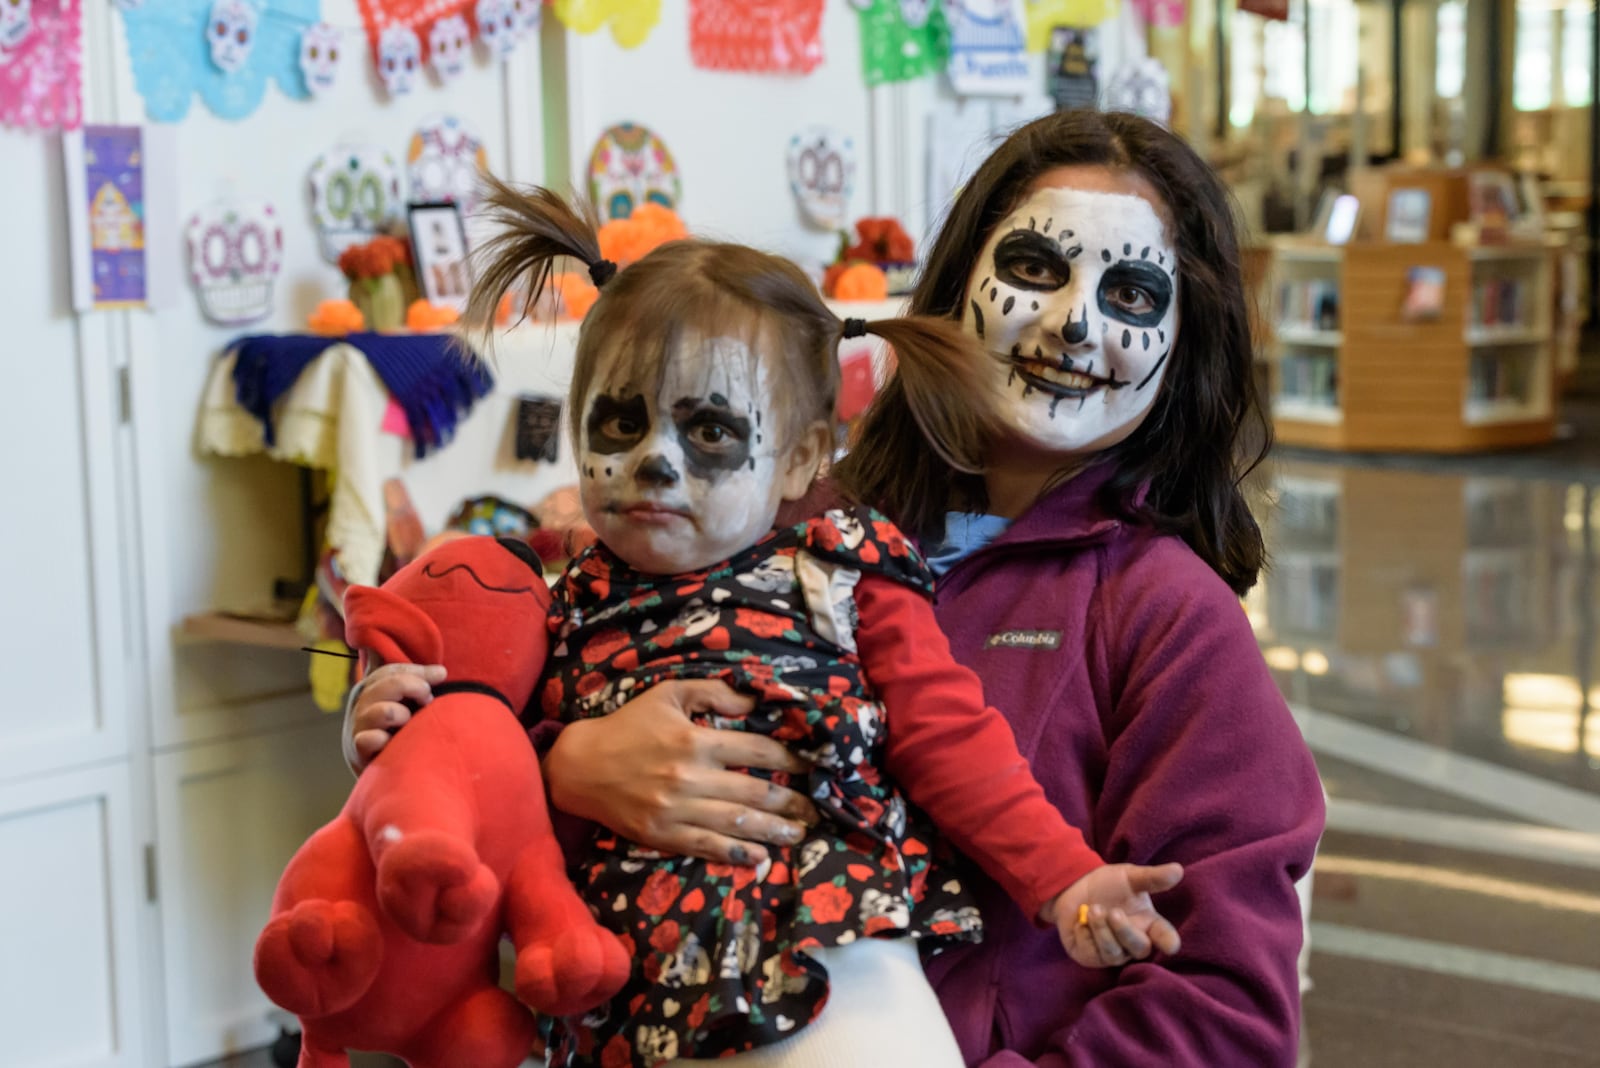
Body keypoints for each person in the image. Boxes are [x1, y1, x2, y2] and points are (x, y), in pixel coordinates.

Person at [354, 110, 1325, 1066]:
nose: (1074, 323)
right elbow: (498, 663)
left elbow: (1223, 1012)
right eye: (1035, 268)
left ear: (1183, 337)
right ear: (955, 287)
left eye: (1129, 293)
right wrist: (556, 765)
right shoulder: (768, 520)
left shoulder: (1169, 619)